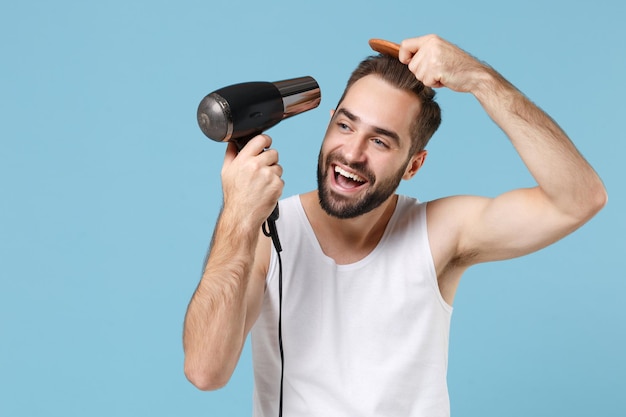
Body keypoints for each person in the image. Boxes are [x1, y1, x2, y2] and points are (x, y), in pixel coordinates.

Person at [182, 34, 607, 416]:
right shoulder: (264, 232)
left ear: (414, 165)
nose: (352, 152)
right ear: (328, 121)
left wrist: (480, 79)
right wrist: (238, 213)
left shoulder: (440, 233)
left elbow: (579, 199)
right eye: (345, 125)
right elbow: (205, 371)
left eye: (381, 141)